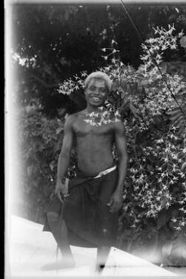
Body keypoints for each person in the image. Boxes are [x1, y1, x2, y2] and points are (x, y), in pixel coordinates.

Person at [42, 71, 128, 272]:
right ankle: (67, 259)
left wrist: (119, 190)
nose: (97, 93)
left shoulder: (114, 121)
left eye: (102, 90)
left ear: (107, 94)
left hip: (108, 178)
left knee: (105, 222)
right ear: (85, 91)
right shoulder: (73, 120)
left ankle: (99, 269)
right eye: (93, 88)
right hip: (82, 178)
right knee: (54, 213)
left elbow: (123, 155)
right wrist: (59, 181)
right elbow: (64, 153)